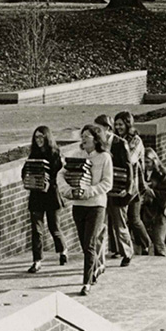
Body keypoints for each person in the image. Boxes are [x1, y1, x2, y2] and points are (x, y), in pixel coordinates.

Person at [57, 124, 113, 296]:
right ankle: (97, 266)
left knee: (89, 243)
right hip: (78, 205)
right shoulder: (77, 156)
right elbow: (61, 174)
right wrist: (68, 191)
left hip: (96, 205)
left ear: (96, 139)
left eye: (87, 136)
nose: (83, 138)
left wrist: (89, 191)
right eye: (82, 136)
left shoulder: (104, 158)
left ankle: (86, 282)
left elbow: (107, 183)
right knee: (84, 244)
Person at [23, 126, 67, 273]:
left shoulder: (54, 154)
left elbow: (59, 174)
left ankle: (63, 251)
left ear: (47, 137)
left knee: (54, 227)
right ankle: (37, 260)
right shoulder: (33, 154)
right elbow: (25, 171)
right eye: (36, 137)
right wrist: (30, 180)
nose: (39, 140)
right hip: (36, 195)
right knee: (36, 230)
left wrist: (49, 182)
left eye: (41, 137)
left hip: (51, 196)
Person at [94, 114, 135, 267]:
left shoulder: (120, 143)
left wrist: (127, 188)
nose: (96, 132)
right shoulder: (98, 145)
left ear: (107, 129)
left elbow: (128, 167)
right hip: (103, 190)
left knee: (119, 222)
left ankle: (127, 252)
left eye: (98, 129)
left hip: (118, 189)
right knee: (100, 224)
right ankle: (99, 257)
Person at [114, 111, 151, 255]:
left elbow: (131, 158)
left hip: (134, 184)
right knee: (120, 218)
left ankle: (145, 245)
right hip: (119, 182)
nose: (118, 127)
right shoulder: (117, 139)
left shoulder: (136, 140)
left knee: (133, 219)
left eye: (121, 124)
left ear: (128, 124)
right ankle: (121, 248)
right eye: (116, 124)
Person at [140, 148, 166, 257]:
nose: (145, 165)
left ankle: (161, 263)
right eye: (143, 162)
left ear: (154, 161)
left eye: (148, 162)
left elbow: (165, 195)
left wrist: (150, 191)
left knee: (159, 242)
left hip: (160, 212)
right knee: (141, 242)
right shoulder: (141, 172)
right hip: (146, 210)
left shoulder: (162, 174)